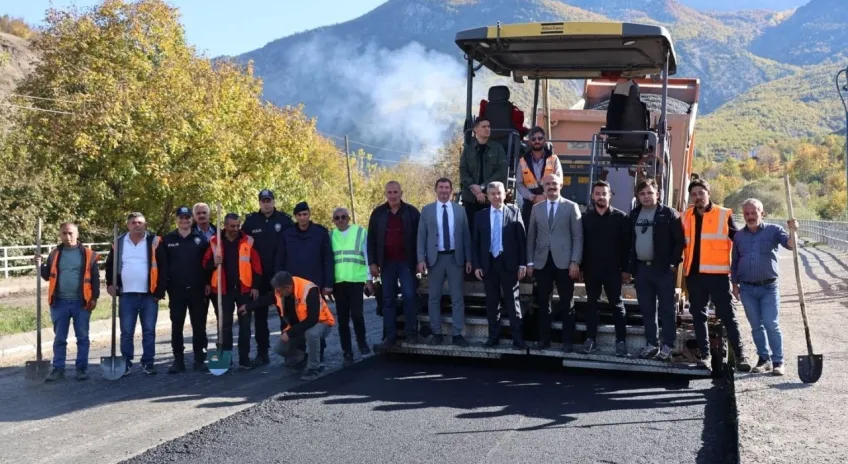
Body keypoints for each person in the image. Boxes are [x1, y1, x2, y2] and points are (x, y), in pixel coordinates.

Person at [683, 179, 751, 371]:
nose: (698, 197)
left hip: (718, 275)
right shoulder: (686, 216)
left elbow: (740, 240)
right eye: (694, 194)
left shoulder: (723, 214)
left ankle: (741, 356)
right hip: (694, 276)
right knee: (698, 316)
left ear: (708, 193)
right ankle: (704, 356)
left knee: (728, 315)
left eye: (701, 193)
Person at [731, 199, 797, 376]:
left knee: (770, 323)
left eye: (754, 213)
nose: (750, 216)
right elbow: (735, 261)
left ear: (762, 213)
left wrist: (793, 231)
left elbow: (791, 245)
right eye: (747, 213)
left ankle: (778, 361)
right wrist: (734, 284)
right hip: (747, 289)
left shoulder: (774, 230)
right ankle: (763, 359)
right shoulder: (739, 236)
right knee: (756, 326)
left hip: (769, 287)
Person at [239, 271, 336, 381]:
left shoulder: (309, 289)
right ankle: (303, 358)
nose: (277, 293)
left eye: (279, 291)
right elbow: (266, 299)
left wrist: (290, 333)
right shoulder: (281, 290)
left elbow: (312, 320)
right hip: (300, 325)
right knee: (280, 348)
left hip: (321, 322)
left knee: (311, 333)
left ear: (288, 288)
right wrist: (248, 307)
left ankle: (314, 367)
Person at [627, 179, 684, 361]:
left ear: (657, 194)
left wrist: (673, 264)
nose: (646, 196)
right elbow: (630, 242)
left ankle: (668, 345)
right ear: (638, 196)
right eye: (642, 193)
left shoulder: (669, 214)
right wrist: (629, 268)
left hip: (663, 270)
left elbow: (679, 241)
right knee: (647, 309)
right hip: (641, 270)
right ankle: (652, 344)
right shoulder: (634, 214)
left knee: (667, 309)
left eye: (650, 193)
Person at [35, 222, 100, 381]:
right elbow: (47, 276)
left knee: (82, 338)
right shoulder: (55, 253)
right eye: (64, 233)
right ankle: (58, 369)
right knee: (59, 338)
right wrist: (39, 265)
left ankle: (81, 369)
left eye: (70, 233)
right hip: (59, 302)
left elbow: (95, 279)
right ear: (60, 234)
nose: (67, 236)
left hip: (81, 302)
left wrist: (94, 298)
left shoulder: (89, 254)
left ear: (77, 234)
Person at [105, 212, 167, 376]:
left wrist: (159, 291)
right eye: (133, 222)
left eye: (140, 222)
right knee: (126, 332)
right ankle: (126, 364)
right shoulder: (119, 242)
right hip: (126, 295)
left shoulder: (154, 241)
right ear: (128, 225)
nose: (137, 225)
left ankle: (148, 363)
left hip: (149, 295)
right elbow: (110, 265)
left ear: (145, 225)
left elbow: (163, 267)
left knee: (149, 331)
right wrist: (110, 284)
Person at [526, 173, 583, 351]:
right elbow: (531, 237)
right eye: (548, 184)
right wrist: (529, 262)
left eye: (554, 183)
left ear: (561, 185)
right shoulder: (537, 208)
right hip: (542, 262)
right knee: (543, 302)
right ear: (543, 187)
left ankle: (567, 341)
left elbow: (578, 237)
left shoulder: (571, 207)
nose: (551, 186)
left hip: (565, 263)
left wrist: (575, 261)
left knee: (567, 302)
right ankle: (544, 340)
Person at [241, 189, 294, 368]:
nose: (266, 204)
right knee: (260, 318)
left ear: (273, 201)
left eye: (269, 200)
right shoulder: (250, 222)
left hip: (280, 276)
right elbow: (243, 246)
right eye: (263, 201)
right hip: (259, 278)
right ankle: (262, 353)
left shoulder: (284, 220)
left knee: (285, 316)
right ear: (259, 202)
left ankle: (288, 352)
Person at [202, 213, 262, 369]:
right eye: (232, 226)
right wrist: (214, 263)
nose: (235, 229)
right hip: (224, 291)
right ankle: (225, 361)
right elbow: (205, 265)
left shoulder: (248, 241)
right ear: (225, 225)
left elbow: (256, 265)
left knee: (245, 326)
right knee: (224, 327)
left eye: (237, 226)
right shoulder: (215, 241)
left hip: (244, 290)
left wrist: (255, 286)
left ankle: (244, 360)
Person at [417, 178, 472, 346]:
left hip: (456, 258)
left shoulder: (460, 210)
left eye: (447, 187)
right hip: (435, 259)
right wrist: (421, 259)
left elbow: (466, 236)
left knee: (457, 298)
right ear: (436, 190)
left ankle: (457, 334)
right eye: (441, 187)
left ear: (451, 190)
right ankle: (437, 333)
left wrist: (469, 259)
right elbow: (421, 236)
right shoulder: (427, 210)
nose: (444, 190)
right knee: (434, 298)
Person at [472, 181, 527, 349]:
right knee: (492, 303)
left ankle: (518, 339)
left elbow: (522, 241)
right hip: (489, 264)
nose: (496, 196)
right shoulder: (480, 216)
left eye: (499, 193)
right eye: (493, 194)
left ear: (505, 194)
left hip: (509, 264)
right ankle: (493, 338)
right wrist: (477, 265)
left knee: (513, 303)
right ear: (488, 196)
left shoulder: (514, 212)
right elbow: (475, 243)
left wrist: (523, 264)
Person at [581, 181, 632, 356]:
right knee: (591, 304)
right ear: (592, 196)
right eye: (597, 193)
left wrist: (626, 270)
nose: (601, 197)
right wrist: (581, 268)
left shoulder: (622, 218)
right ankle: (590, 340)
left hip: (613, 270)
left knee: (617, 304)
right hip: (591, 269)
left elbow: (627, 246)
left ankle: (621, 342)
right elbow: (582, 245)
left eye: (604, 193)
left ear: (610, 195)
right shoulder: (585, 219)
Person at [368, 181, 421, 347]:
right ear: (385, 194)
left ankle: (411, 333)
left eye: (395, 192)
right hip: (387, 263)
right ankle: (390, 336)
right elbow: (371, 240)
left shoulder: (412, 212)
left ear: (401, 193)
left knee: (409, 296)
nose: (392, 195)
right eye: (389, 192)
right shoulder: (377, 214)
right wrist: (373, 263)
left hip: (407, 262)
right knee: (388, 299)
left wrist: (420, 260)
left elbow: (420, 238)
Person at [163, 206, 210, 373]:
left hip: (197, 289)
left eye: (187, 217)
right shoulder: (167, 240)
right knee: (177, 326)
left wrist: (207, 283)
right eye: (181, 217)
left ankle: (200, 360)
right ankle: (178, 361)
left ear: (192, 219)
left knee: (199, 326)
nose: (184, 220)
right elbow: (163, 265)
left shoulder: (200, 239)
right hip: (176, 290)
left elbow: (207, 264)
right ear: (176, 219)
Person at [330, 206, 373, 366]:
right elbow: (328, 261)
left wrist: (369, 279)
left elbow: (367, 256)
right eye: (337, 217)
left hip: (356, 280)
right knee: (342, 320)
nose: (341, 220)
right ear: (333, 221)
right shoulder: (330, 236)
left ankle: (362, 342)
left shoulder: (360, 232)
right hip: (338, 282)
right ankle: (347, 351)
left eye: (343, 217)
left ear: (348, 218)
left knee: (357, 315)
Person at [460, 117, 508, 233]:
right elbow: (463, 171)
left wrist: (482, 187)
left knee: (490, 232)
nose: (487, 129)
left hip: (491, 199)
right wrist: (475, 190)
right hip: (471, 199)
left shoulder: (497, 148)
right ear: (475, 129)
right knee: (471, 232)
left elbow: (501, 171)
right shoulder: (468, 149)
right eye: (484, 126)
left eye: (489, 126)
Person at [275, 202, 333, 294]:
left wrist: (328, 284)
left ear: (309, 214)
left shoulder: (320, 233)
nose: (302, 218)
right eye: (299, 215)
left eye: (305, 214)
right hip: (293, 284)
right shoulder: (286, 235)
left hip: (315, 283)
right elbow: (280, 260)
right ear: (295, 216)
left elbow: (328, 259)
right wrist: (280, 283)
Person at [516, 126, 563, 226]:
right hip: (530, 202)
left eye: (540, 138)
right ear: (529, 142)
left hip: (550, 200)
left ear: (544, 141)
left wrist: (545, 196)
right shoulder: (522, 161)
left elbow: (559, 181)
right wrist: (531, 197)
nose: (537, 141)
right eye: (533, 139)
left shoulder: (554, 159)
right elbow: (519, 183)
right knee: (528, 231)